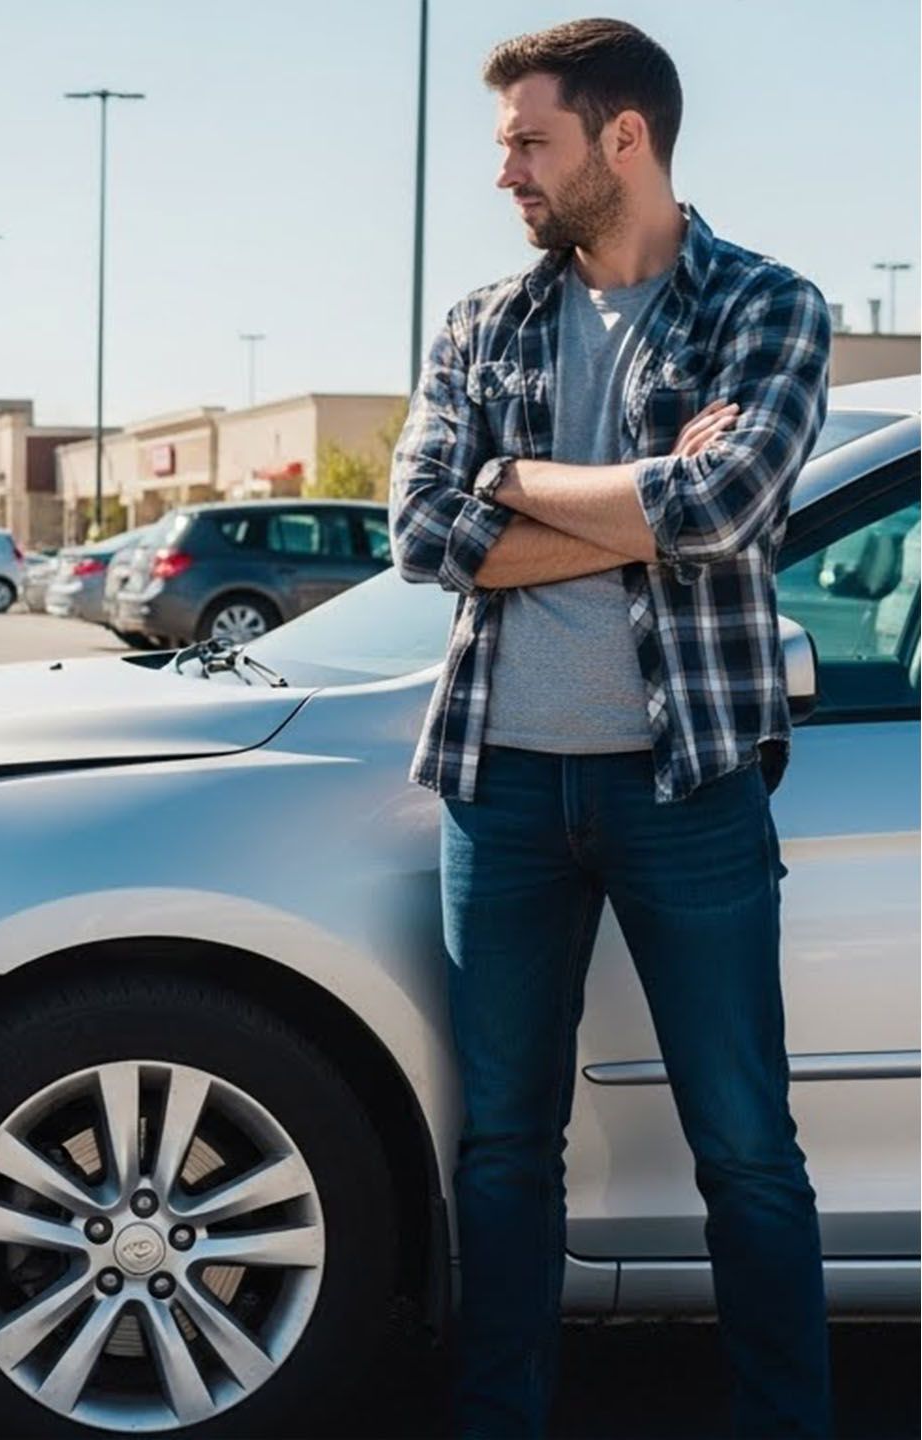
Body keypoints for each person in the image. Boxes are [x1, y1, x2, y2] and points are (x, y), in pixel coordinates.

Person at [387, 19, 833, 1437]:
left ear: (622, 138)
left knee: (747, 1150)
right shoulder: (480, 323)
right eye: (506, 142)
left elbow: (726, 509)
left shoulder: (766, 308)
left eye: (531, 140)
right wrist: (629, 493)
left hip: (685, 786)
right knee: (506, 1150)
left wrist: (514, 481)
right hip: (499, 790)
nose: (506, 170)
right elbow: (421, 533)